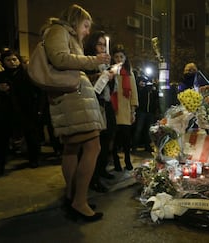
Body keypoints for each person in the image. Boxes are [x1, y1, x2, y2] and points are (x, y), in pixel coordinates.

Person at [41, 4, 110, 222]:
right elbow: (60, 59)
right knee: (93, 146)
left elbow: (69, 67)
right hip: (73, 100)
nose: (87, 31)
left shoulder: (64, 34)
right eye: (86, 25)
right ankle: (80, 201)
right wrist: (93, 61)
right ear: (75, 20)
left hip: (73, 98)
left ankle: (72, 195)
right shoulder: (58, 31)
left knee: (71, 148)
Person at [0, 49, 43, 176]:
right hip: (6, 112)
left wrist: (38, 109)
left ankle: (34, 159)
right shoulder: (0, 76)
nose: (12, 62)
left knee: (31, 137)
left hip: (26, 110)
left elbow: (38, 92)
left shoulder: (27, 74)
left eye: (14, 59)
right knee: (2, 140)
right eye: (8, 60)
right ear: (3, 62)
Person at [84, 30, 117, 193]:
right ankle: (93, 178)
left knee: (107, 138)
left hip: (107, 104)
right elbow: (87, 83)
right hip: (94, 104)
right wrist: (100, 76)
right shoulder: (88, 61)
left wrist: (111, 74)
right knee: (95, 144)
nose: (103, 48)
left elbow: (111, 88)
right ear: (92, 45)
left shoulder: (106, 63)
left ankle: (102, 169)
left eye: (105, 45)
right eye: (100, 44)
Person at [110, 44, 138, 172]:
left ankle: (127, 160)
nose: (119, 59)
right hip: (114, 110)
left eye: (121, 56)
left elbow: (134, 93)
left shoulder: (129, 73)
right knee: (115, 139)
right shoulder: (110, 72)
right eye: (116, 57)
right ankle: (116, 161)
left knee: (127, 139)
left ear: (125, 58)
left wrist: (133, 111)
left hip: (126, 111)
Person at [132, 72, 159, 153]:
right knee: (138, 129)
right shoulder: (141, 90)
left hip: (150, 112)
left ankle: (147, 146)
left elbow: (155, 99)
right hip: (142, 111)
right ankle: (134, 146)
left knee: (149, 130)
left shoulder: (152, 90)